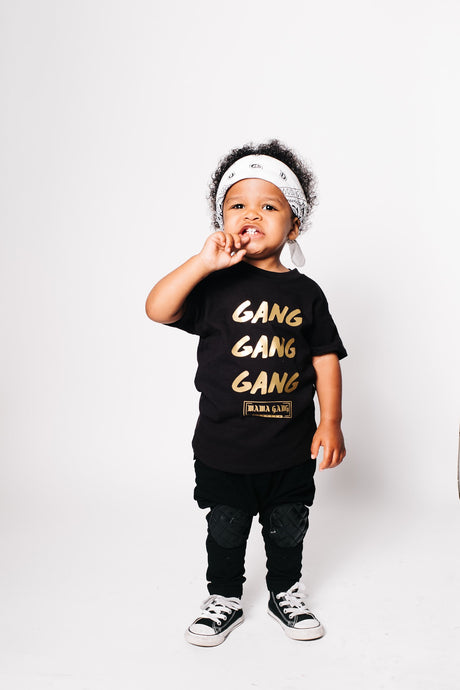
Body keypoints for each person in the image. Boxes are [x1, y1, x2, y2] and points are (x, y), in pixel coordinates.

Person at [145, 140, 347, 647]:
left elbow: (325, 359)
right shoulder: (213, 285)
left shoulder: (306, 293)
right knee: (226, 528)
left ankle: (285, 592)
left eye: (269, 206)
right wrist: (202, 262)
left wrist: (330, 422)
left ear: (294, 225)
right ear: (222, 220)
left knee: (288, 526)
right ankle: (224, 598)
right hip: (224, 446)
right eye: (238, 205)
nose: (251, 214)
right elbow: (157, 308)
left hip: (289, 446)